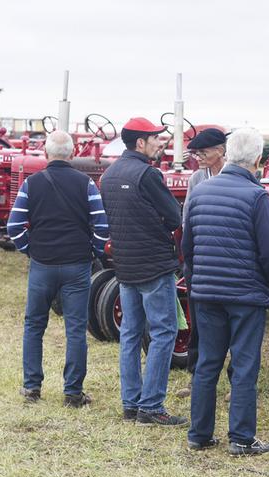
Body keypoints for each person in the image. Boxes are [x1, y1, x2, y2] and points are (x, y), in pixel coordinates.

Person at [183, 127, 269, 455]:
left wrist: (199, 282)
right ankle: (241, 437)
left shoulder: (199, 193)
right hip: (245, 294)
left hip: (206, 293)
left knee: (207, 363)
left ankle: (199, 433)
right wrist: (268, 283)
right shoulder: (257, 197)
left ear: (228, 153)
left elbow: (188, 247)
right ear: (257, 159)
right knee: (244, 364)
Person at [7, 130, 109, 408]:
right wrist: (93, 252)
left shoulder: (31, 184)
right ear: (73, 154)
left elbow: (14, 226)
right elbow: (101, 227)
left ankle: (31, 388)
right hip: (77, 265)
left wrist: (31, 250)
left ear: (46, 154)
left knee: (34, 325)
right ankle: (73, 392)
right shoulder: (86, 184)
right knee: (75, 329)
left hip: (42, 265)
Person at [100, 117, 186, 427]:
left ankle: (131, 402)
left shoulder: (109, 175)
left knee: (130, 334)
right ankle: (151, 406)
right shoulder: (148, 175)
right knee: (164, 333)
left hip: (125, 266)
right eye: (154, 138)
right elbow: (174, 217)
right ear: (140, 143)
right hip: (154, 266)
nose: (159, 143)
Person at [177, 128, 229, 398]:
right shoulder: (197, 178)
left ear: (220, 151)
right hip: (200, 257)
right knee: (198, 320)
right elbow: (188, 218)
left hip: (227, 257)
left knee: (233, 321)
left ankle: (236, 381)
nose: (198, 158)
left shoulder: (236, 174)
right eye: (195, 153)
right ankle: (196, 376)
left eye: (203, 152)